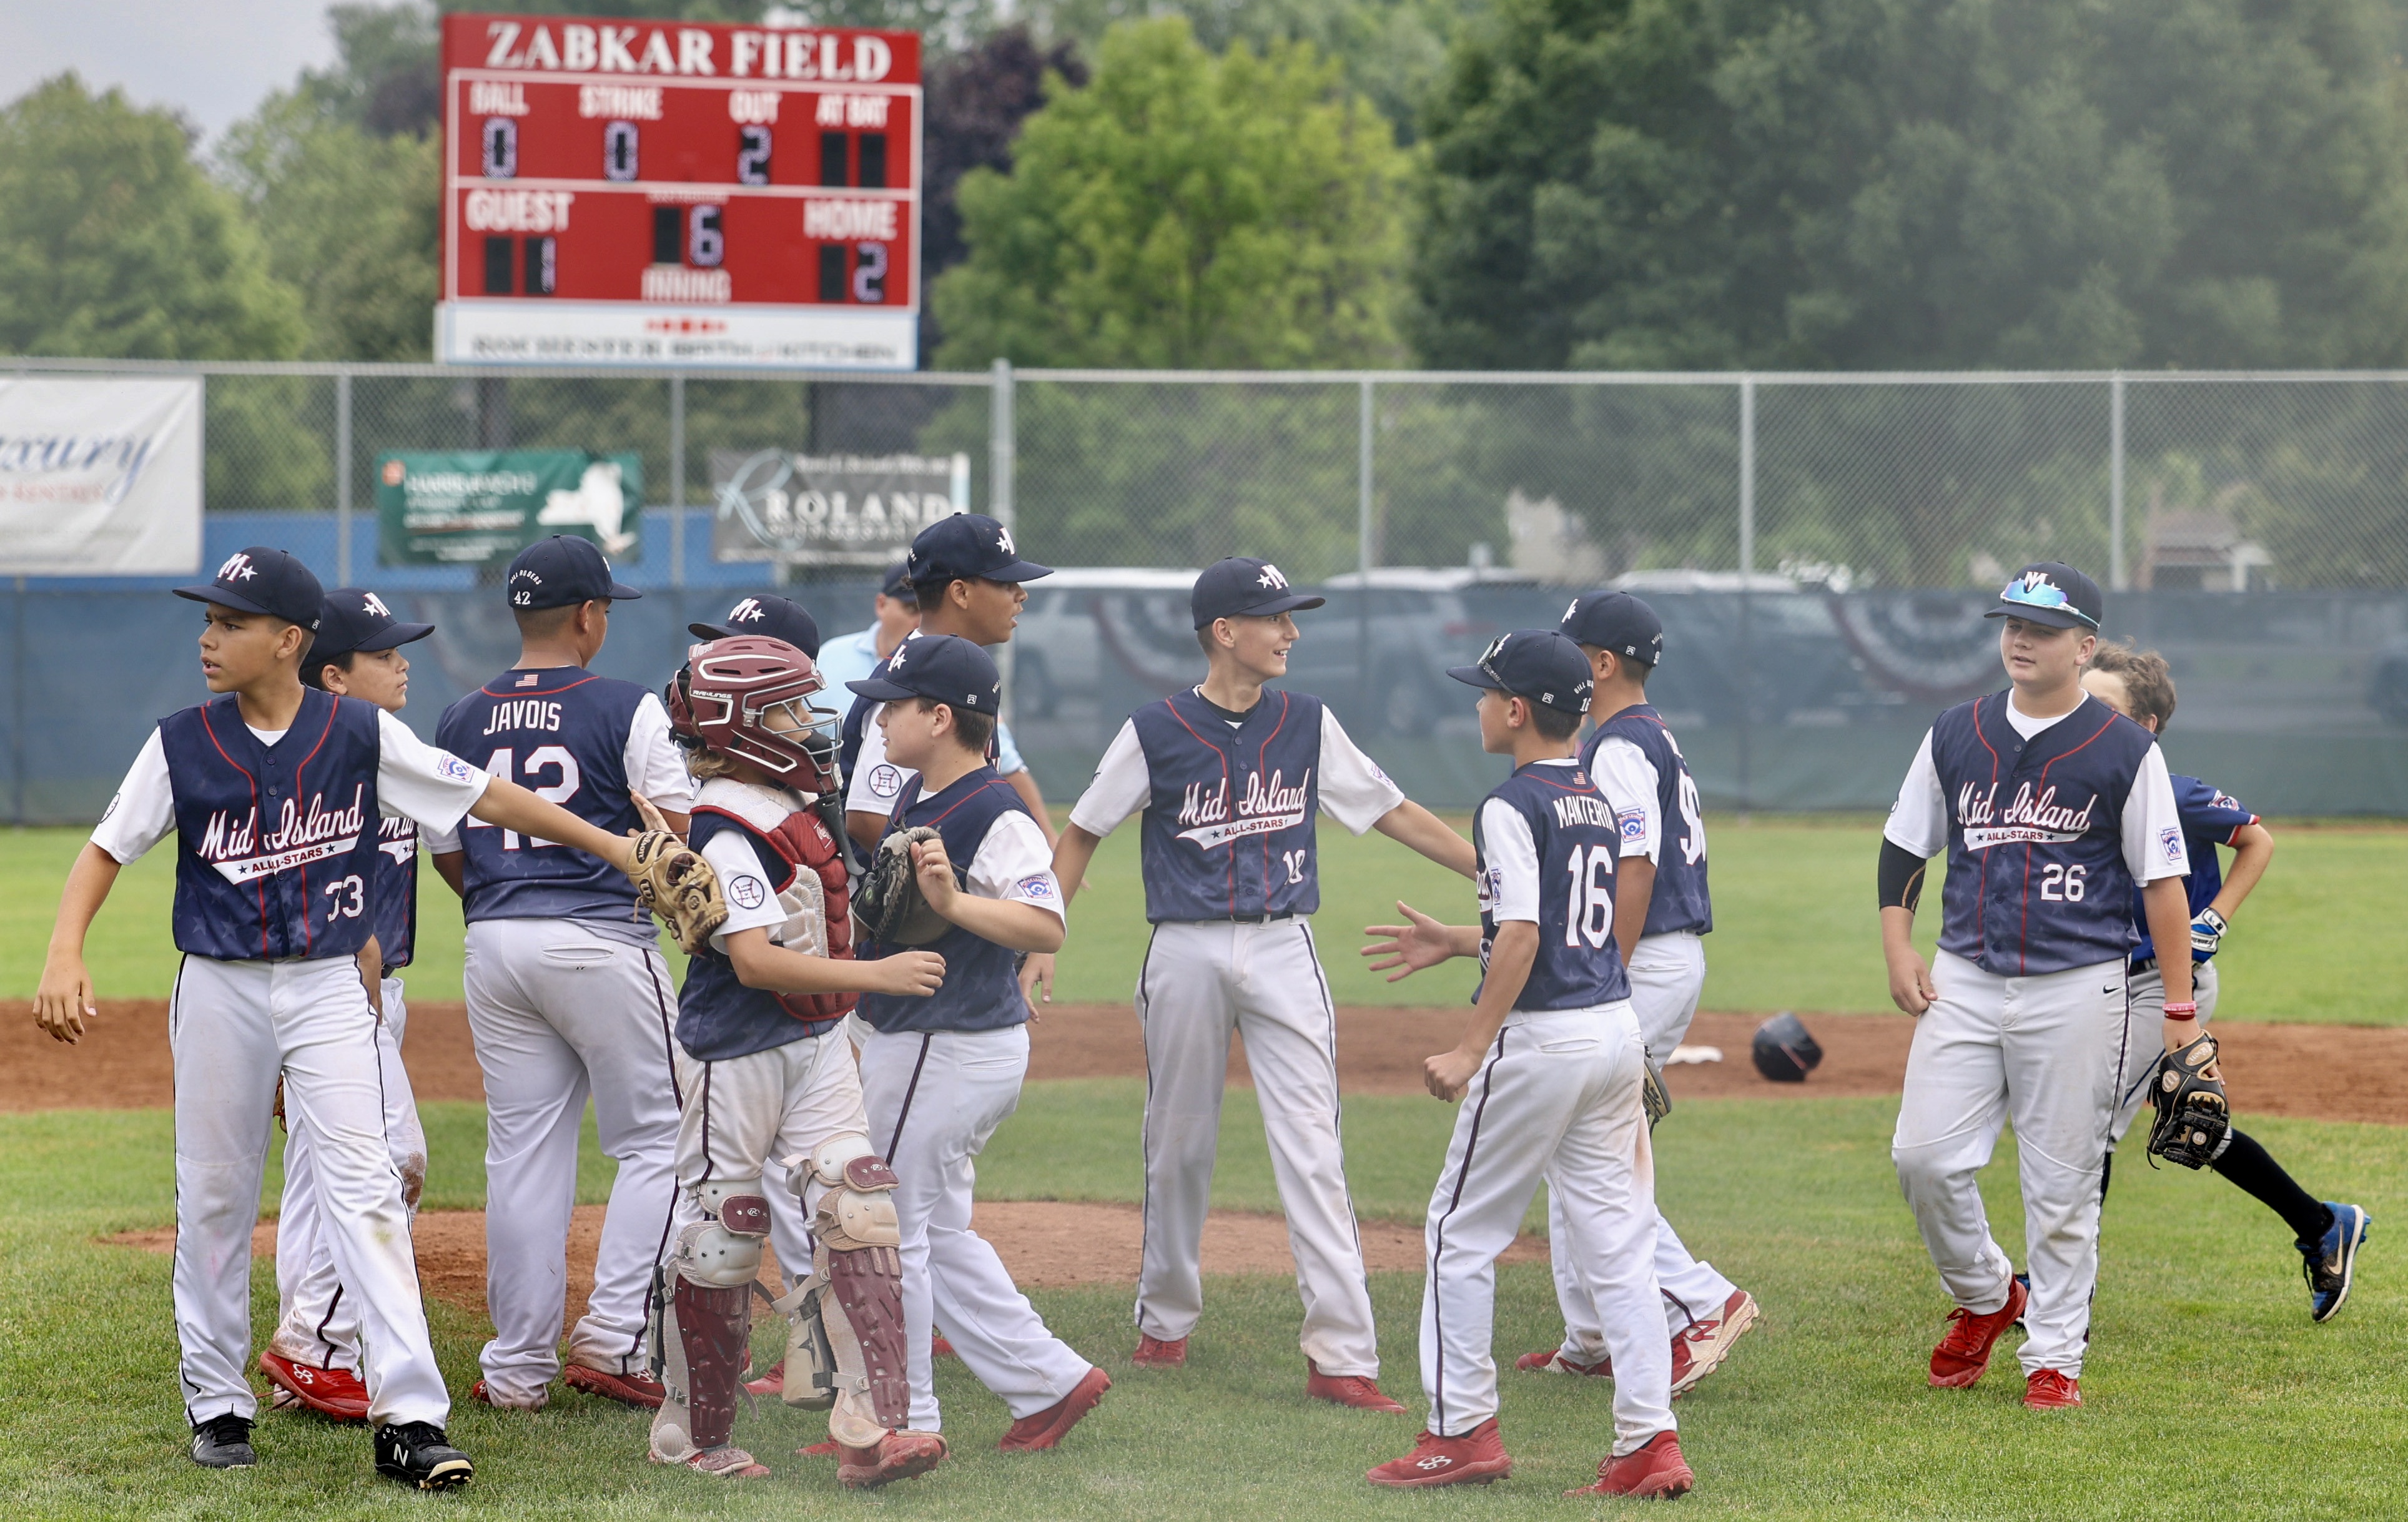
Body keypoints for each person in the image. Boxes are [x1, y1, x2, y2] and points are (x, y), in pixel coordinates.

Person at [33, 547, 663, 1486]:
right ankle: (217, 1402)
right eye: (208, 622)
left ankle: (409, 1416)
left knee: (366, 1187)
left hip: (329, 985)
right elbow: (104, 848)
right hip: (220, 985)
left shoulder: (358, 732)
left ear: (289, 641)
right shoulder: (181, 741)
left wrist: (611, 843)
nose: (209, 638)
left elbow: (484, 794)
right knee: (214, 1191)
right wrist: (64, 948)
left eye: (232, 623)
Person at [1049, 556, 1475, 1406]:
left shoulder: (1306, 722)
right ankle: (1165, 1319)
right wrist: (1042, 935)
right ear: (1224, 632)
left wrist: (1487, 870)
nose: (1291, 633)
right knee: (1179, 1142)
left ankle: (1344, 1356)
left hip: (1285, 946)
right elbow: (1084, 828)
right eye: (1275, 618)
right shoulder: (1156, 729)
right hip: (1184, 949)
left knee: (1313, 1146)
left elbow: (1389, 808)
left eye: (1291, 617)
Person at [1358, 630, 1694, 1499]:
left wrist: (1471, 1044)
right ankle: (1649, 1442)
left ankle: (1459, 1431)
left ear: (1515, 710)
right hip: (1614, 1033)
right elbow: (1564, 920)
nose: (1477, 705)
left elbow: (1524, 931)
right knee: (1618, 1247)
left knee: (1458, 1233)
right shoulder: (1591, 792)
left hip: (1541, 1042)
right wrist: (1455, 938)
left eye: (1486, 693)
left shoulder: (1510, 804)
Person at [1878, 562, 2199, 1411]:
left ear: (2084, 645)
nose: (2020, 638)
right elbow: (1908, 844)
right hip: (1966, 975)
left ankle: (2055, 1357)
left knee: (2061, 1182)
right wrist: (1897, 947)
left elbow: (2164, 883)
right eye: (2012, 622)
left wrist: (2178, 1012)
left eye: (2043, 628)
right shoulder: (1957, 731)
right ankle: (1989, 1294)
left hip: (2079, 984)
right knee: (1923, 1157)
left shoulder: (2124, 748)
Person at [644, 635, 950, 1486]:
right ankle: (693, 1434)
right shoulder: (729, 819)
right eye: (788, 709)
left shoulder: (789, 800)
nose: (811, 726)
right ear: (741, 726)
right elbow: (756, 962)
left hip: (814, 1040)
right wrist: (874, 975)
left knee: (859, 1206)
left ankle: (869, 1428)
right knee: (726, 1236)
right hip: (735, 1047)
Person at [425, 535, 698, 1411]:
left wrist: (512, 893)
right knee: (666, 1135)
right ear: (589, 615)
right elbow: (674, 839)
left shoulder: (461, 717)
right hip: (599, 942)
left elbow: (448, 851)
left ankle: (515, 1369)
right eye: (606, 607)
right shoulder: (628, 706)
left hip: (494, 943)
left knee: (525, 1155)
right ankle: (616, 1337)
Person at [846, 635, 1112, 1450]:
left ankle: (902, 1420)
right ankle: (1049, 1381)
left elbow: (1045, 922)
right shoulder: (922, 799)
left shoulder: (993, 810)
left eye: (896, 704)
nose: (880, 716)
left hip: (946, 1043)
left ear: (940, 715)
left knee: (889, 1229)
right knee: (938, 1231)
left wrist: (956, 906)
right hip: (942, 1043)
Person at [1508, 592, 1755, 1393]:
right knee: (1570, 1140)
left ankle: (1700, 1299)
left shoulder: (1616, 746)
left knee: (1597, 1156)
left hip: (1640, 959)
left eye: (1572, 648)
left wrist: (1603, 975)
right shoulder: (1650, 736)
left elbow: (1636, 866)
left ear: (1602, 664)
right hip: (1660, 956)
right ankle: (1591, 1330)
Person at [2081, 643, 2371, 1320]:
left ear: (2144, 726)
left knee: (2087, 1127)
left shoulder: (2172, 793)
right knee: (2191, 1124)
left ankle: (2057, 1286)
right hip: (2101, 982)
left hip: (2164, 983)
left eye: (2104, 708)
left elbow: (2257, 839)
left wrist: (2214, 916)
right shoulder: (2077, 797)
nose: (2084, 717)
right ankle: (2322, 1223)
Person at [258, 589, 439, 1423]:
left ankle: (316, 1350)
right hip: (334, 989)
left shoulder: (375, 745)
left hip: (355, 990)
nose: (404, 663)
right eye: (385, 654)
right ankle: (317, 1343)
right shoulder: (316, 752)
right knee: (393, 1158)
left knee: (317, 1181)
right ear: (333, 674)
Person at [836, 540, 1064, 867]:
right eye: (1004, 583)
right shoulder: (913, 679)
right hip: (907, 912)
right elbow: (869, 818)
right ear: (961, 593)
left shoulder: (955, 669)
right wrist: (950, 897)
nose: (1021, 594)